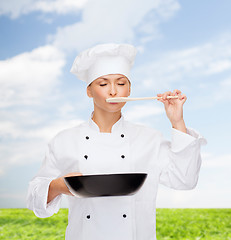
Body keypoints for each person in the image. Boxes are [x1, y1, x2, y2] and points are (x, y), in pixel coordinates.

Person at [27, 43, 207, 240]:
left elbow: (185, 180)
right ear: (89, 91)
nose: (113, 91)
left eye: (121, 83)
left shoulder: (149, 138)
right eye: (103, 84)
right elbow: (35, 199)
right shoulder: (64, 140)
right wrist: (58, 186)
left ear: (129, 89)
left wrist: (177, 120)